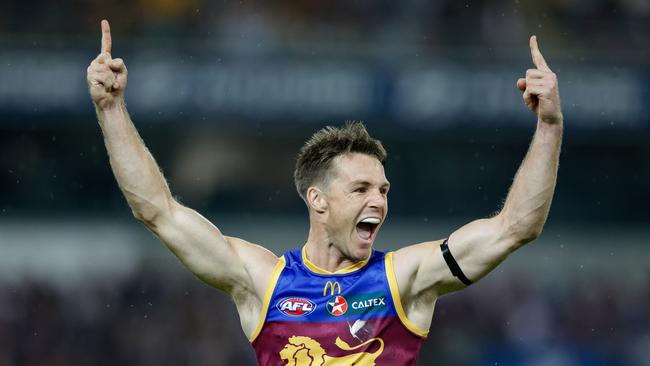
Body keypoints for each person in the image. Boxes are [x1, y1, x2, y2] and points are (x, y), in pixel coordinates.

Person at [87, 19, 562, 366]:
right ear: (318, 200)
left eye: (383, 189)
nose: (378, 200)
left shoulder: (406, 280)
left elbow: (516, 227)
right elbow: (158, 211)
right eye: (360, 188)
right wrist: (111, 110)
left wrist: (549, 126)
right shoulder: (264, 282)